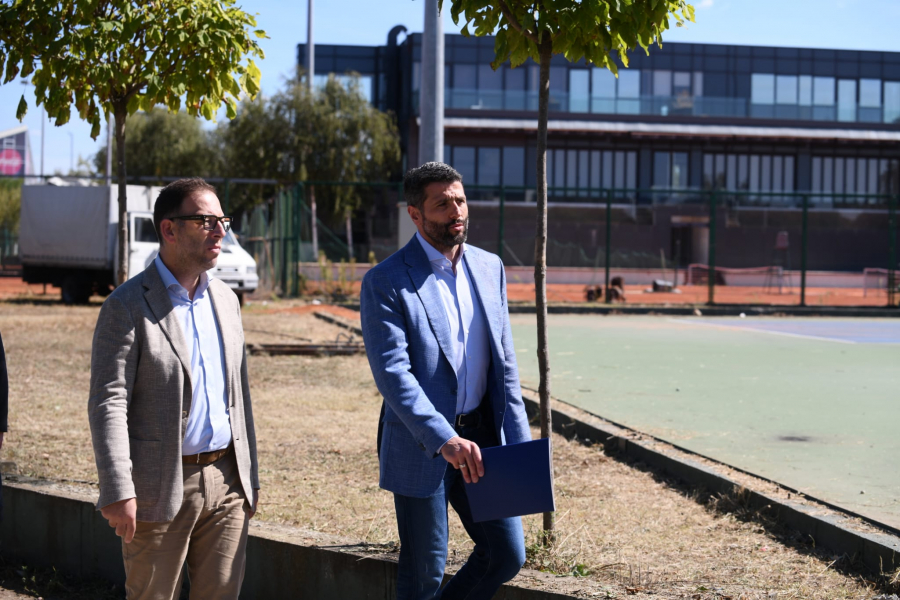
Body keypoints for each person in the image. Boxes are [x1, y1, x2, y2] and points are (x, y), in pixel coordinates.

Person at [360, 162, 532, 600]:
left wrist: (519, 445)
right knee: (425, 574)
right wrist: (443, 438)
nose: (456, 211)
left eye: (460, 200)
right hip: (424, 443)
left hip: (485, 440)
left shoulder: (490, 267)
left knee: (506, 555)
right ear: (415, 214)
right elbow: (393, 374)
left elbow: (505, 365)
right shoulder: (386, 280)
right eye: (442, 204)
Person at [88, 178, 259, 600]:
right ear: (169, 229)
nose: (220, 231)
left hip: (227, 483)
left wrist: (248, 479)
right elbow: (109, 402)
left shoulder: (227, 300)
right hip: (158, 485)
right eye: (205, 221)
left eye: (222, 221)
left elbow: (239, 395)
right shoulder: (126, 305)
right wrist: (118, 488)